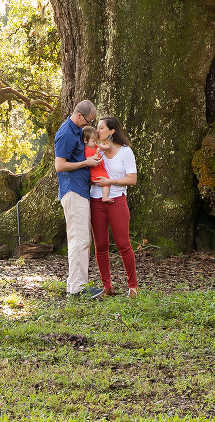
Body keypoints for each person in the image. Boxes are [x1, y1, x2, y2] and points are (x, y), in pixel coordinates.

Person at [53, 99, 104, 300]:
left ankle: (77, 285)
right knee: (79, 239)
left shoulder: (76, 131)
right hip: (72, 191)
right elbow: (60, 166)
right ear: (80, 115)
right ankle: (76, 289)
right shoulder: (66, 133)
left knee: (82, 239)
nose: (88, 124)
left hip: (81, 191)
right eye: (88, 120)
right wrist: (86, 163)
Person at [89, 116, 138, 297]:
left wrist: (110, 181)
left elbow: (132, 179)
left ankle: (132, 286)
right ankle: (107, 286)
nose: (97, 130)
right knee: (100, 244)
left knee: (123, 244)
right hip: (96, 199)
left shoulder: (125, 151)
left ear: (112, 131)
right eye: (97, 127)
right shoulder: (95, 150)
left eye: (101, 127)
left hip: (117, 199)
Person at [83, 125, 112, 201]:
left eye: (96, 141)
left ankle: (105, 196)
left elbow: (100, 147)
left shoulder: (94, 146)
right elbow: (89, 160)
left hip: (100, 169)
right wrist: (96, 154)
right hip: (96, 171)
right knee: (106, 181)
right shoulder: (87, 150)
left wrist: (105, 147)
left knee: (106, 180)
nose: (95, 143)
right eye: (93, 141)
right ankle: (105, 197)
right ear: (85, 141)